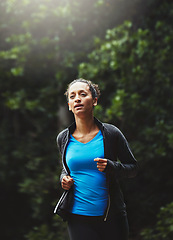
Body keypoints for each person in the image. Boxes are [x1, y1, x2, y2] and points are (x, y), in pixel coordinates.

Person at [54, 78, 138, 240]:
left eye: (82, 94)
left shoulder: (111, 134)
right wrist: (63, 179)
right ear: (69, 106)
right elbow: (67, 168)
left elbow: (133, 168)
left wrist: (112, 166)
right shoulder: (63, 138)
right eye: (72, 96)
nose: (77, 98)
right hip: (78, 217)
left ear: (94, 101)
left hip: (112, 216)